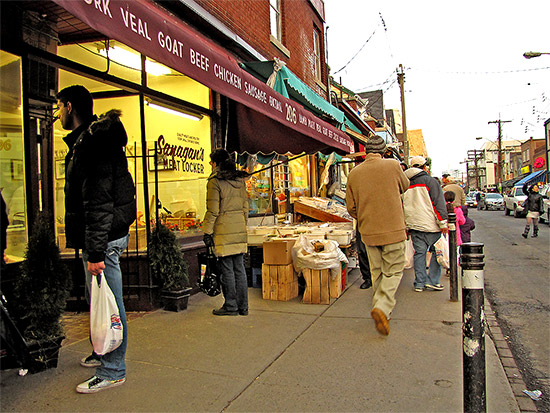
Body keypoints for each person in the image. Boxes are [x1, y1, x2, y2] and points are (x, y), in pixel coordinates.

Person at [56, 85, 136, 393]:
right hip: (103, 236)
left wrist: (96, 251)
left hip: (105, 239)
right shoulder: (89, 141)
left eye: (60, 107)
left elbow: (98, 201)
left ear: (71, 107)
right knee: (99, 302)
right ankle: (102, 350)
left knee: (109, 304)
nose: (58, 113)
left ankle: (113, 368)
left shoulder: (93, 143)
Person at [346, 135, 409, 336]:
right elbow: (405, 186)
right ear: (384, 151)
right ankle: (382, 308)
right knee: (394, 272)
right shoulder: (392, 165)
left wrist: (365, 217)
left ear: (365, 151)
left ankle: (383, 312)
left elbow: (351, 207)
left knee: (377, 274)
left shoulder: (354, 173)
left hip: (369, 232)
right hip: (393, 229)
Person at [203, 149, 249, 316]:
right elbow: (245, 207)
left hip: (223, 230)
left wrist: (207, 232)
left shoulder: (215, 181)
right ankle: (243, 306)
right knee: (239, 268)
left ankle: (231, 305)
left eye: (211, 162)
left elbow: (213, 210)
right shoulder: (239, 180)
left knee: (227, 268)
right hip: (238, 228)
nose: (210, 165)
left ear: (216, 163)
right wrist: (242, 226)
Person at [403, 156, 448, 292]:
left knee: (420, 254)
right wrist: (443, 223)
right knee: (436, 253)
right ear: (424, 167)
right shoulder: (430, 181)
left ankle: (419, 283)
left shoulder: (405, 183)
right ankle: (433, 280)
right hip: (431, 225)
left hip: (414, 224)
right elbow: (438, 203)